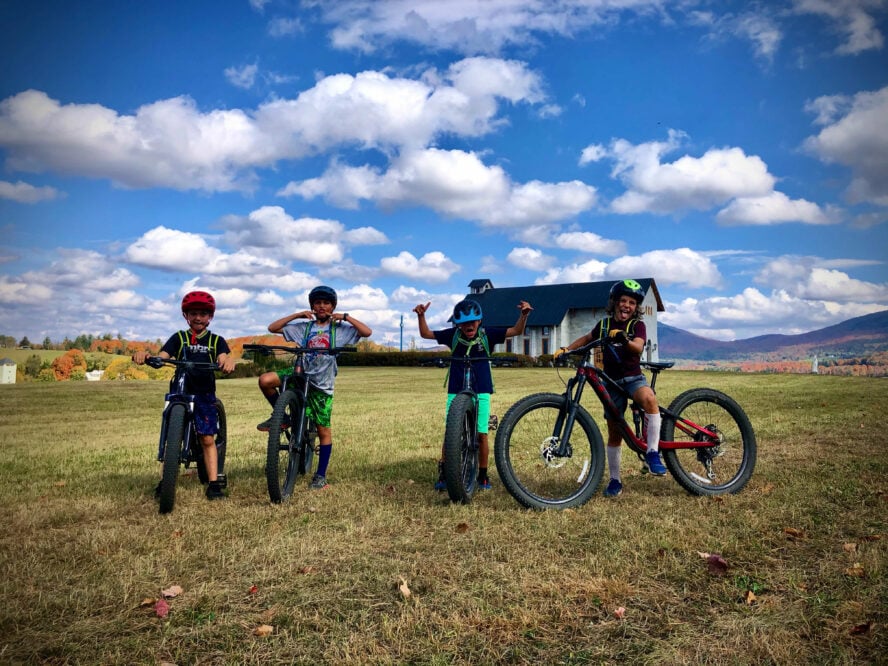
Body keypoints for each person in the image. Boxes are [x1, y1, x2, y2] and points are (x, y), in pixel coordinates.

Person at [555, 279, 666, 498]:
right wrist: (566, 349)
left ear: (636, 308)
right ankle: (615, 479)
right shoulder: (604, 325)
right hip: (611, 382)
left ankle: (653, 453)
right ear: (614, 303)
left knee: (649, 399)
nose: (626, 305)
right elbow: (587, 339)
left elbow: (637, 347)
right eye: (623, 300)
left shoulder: (636, 326)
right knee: (614, 432)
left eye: (632, 303)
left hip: (633, 378)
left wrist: (623, 339)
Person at [256, 285, 372, 490]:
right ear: (312, 306)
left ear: (332, 306)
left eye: (326, 303)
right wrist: (297, 315)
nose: (322, 307)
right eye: (317, 303)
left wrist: (346, 317)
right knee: (265, 380)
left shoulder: (340, 330)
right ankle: (283, 415)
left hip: (322, 384)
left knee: (323, 430)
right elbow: (272, 328)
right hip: (300, 375)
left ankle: (320, 475)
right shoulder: (304, 327)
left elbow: (366, 332)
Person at [414, 297, 533, 491]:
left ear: (479, 321)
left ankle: (483, 475)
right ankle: (444, 473)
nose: (469, 326)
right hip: (456, 388)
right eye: (464, 323)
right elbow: (426, 333)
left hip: (482, 388)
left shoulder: (488, 334)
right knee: (450, 432)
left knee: (482, 434)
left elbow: (516, 331)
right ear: (458, 325)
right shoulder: (452, 335)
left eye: (472, 322)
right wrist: (421, 316)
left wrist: (523, 315)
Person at [132, 290, 235, 500]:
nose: (198, 317)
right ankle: (166, 479)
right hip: (179, 392)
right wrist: (147, 357)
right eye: (193, 313)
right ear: (185, 315)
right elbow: (163, 357)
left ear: (210, 317)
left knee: (207, 438)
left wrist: (227, 362)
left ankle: (214, 483)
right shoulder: (178, 338)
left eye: (203, 314)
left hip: (204, 392)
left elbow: (224, 356)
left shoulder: (216, 340)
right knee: (172, 438)